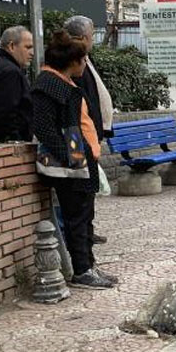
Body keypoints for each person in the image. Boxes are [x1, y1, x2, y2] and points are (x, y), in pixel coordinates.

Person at [30, 29, 117, 290]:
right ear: (73, 62)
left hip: (81, 159)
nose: (84, 65)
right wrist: (70, 157)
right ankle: (82, 270)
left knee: (86, 215)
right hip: (72, 164)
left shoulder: (65, 83)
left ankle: (88, 264)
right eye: (83, 60)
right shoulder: (48, 86)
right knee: (76, 217)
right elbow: (44, 127)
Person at [63, 15, 115, 245]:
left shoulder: (85, 59)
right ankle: (81, 240)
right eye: (92, 35)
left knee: (89, 190)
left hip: (89, 135)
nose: (93, 40)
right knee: (82, 192)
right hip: (79, 139)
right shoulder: (72, 62)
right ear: (83, 37)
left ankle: (87, 232)